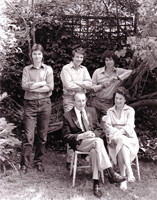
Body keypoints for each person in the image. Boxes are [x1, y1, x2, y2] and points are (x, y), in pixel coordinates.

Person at [62, 91, 126, 198]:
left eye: (83, 101)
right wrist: (81, 136)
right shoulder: (67, 116)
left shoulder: (91, 111)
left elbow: (99, 128)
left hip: (94, 142)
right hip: (80, 143)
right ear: (74, 102)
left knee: (96, 148)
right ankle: (110, 172)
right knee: (98, 142)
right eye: (79, 101)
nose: (82, 103)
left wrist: (93, 134)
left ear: (86, 101)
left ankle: (96, 184)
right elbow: (66, 137)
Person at [21, 43, 54, 173]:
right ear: (31, 55)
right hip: (30, 104)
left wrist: (33, 86)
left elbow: (50, 87)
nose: (37, 56)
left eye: (39, 54)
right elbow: (24, 86)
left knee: (42, 135)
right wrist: (41, 83)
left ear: (42, 55)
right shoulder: (26, 70)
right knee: (28, 136)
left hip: (45, 104)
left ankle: (38, 161)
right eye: (34, 53)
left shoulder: (48, 69)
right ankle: (24, 164)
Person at [60, 47, 92, 168]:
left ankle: (82, 153)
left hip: (81, 101)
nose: (79, 59)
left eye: (81, 57)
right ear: (72, 57)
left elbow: (89, 83)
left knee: (83, 126)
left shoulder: (84, 69)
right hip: (70, 101)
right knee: (71, 129)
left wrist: (76, 83)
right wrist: (81, 84)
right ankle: (70, 160)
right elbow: (68, 85)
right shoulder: (66, 69)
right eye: (77, 56)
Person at [102, 87, 139, 191]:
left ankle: (123, 179)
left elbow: (129, 126)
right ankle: (129, 172)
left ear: (125, 100)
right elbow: (108, 127)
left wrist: (119, 131)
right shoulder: (110, 111)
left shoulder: (130, 110)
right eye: (116, 98)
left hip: (130, 139)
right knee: (121, 140)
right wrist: (117, 133)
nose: (117, 101)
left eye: (120, 99)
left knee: (123, 142)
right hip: (114, 139)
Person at [89, 50, 132, 123]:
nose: (109, 62)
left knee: (106, 125)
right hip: (95, 101)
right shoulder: (97, 72)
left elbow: (131, 72)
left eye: (111, 60)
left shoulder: (118, 71)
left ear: (114, 61)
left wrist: (118, 78)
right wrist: (102, 86)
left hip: (108, 103)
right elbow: (92, 88)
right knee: (92, 124)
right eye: (106, 60)